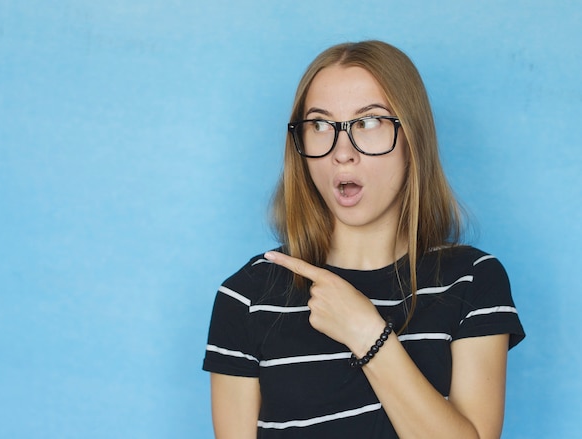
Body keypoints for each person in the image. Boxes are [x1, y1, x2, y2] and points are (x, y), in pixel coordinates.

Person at [202, 40, 525, 438]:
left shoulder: (472, 282)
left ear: (413, 139)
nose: (342, 152)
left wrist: (366, 333)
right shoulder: (246, 297)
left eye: (368, 123)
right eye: (320, 125)